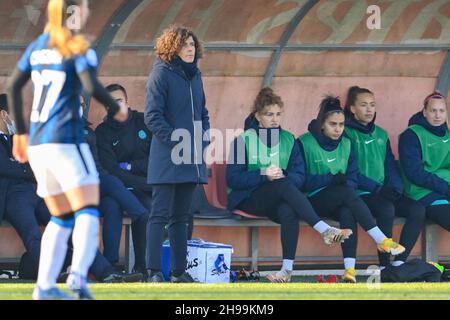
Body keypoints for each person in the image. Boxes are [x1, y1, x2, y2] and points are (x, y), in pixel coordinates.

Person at [7, 0, 121, 299]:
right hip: (67, 140)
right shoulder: (79, 46)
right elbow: (90, 85)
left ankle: (44, 287)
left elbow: (14, 86)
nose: (86, 11)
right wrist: (113, 107)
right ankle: (78, 278)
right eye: (82, 7)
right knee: (87, 210)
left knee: (60, 217)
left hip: (40, 145)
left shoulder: (38, 45)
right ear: (73, 13)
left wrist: (20, 133)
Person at [227, 87, 352, 283]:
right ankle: (324, 230)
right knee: (281, 184)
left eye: (278, 114)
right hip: (249, 198)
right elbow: (233, 179)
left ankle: (286, 270)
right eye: (269, 114)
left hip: (279, 196)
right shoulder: (243, 140)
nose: (275, 119)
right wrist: (263, 174)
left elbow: (299, 176)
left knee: (288, 208)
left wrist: (281, 176)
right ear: (258, 116)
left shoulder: (288, 139)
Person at [298, 96, 405, 283]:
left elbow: (353, 177)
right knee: (346, 193)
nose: (338, 129)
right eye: (333, 124)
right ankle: (380, 239)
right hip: (313, 201)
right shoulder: (304, 142)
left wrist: (344, 184)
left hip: (340, 198)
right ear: (322, 124)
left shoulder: (346, 144)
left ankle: (350, 270)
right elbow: (300, 181)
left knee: (348, 210)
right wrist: (330, 179)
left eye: (341, 124)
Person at [144, 25, 209, 283]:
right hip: (167, 157)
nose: (190, 49)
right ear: (172, 48)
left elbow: (203, 112)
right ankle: (154, 271)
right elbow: (152, 116)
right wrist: (177, 141)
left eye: (192, 45)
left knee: (182, 218)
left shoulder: (196, 76)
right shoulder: (160, 74)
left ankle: (179, 272)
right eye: (184, 45)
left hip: (190, 159)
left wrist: (204, 136)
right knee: (159, 215)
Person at [343, 86, 426, 278]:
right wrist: (378, 189)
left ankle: (398, 262)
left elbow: (389, 164)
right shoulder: (346, 133)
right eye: (363, 105)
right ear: (353, 108)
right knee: (386, 208)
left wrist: (395, 187)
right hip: (361, 193)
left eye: (372, 105)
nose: (369, 109)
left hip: (383, 191)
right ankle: (384, 266)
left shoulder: (381, 133)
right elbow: (352, 172)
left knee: (417, 210)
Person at [82, 95, 150, 276]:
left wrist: (135, 167)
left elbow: (97, 164)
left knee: (113, 205)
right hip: (78, 188)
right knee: (113, 183)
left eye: (82, 104)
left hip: (101, 184)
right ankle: (140, 215)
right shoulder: (63, 130)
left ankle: (111, 266)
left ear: (127, 102)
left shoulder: (87, 131)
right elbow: (110, 168)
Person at [399, 91, 450, 238]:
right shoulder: (412, 135)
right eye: (433, 110)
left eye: (441, 111)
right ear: (424, 112)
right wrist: (446, 188)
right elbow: (414, 173)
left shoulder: (447, 134)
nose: (437, 115)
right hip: (423, 192)